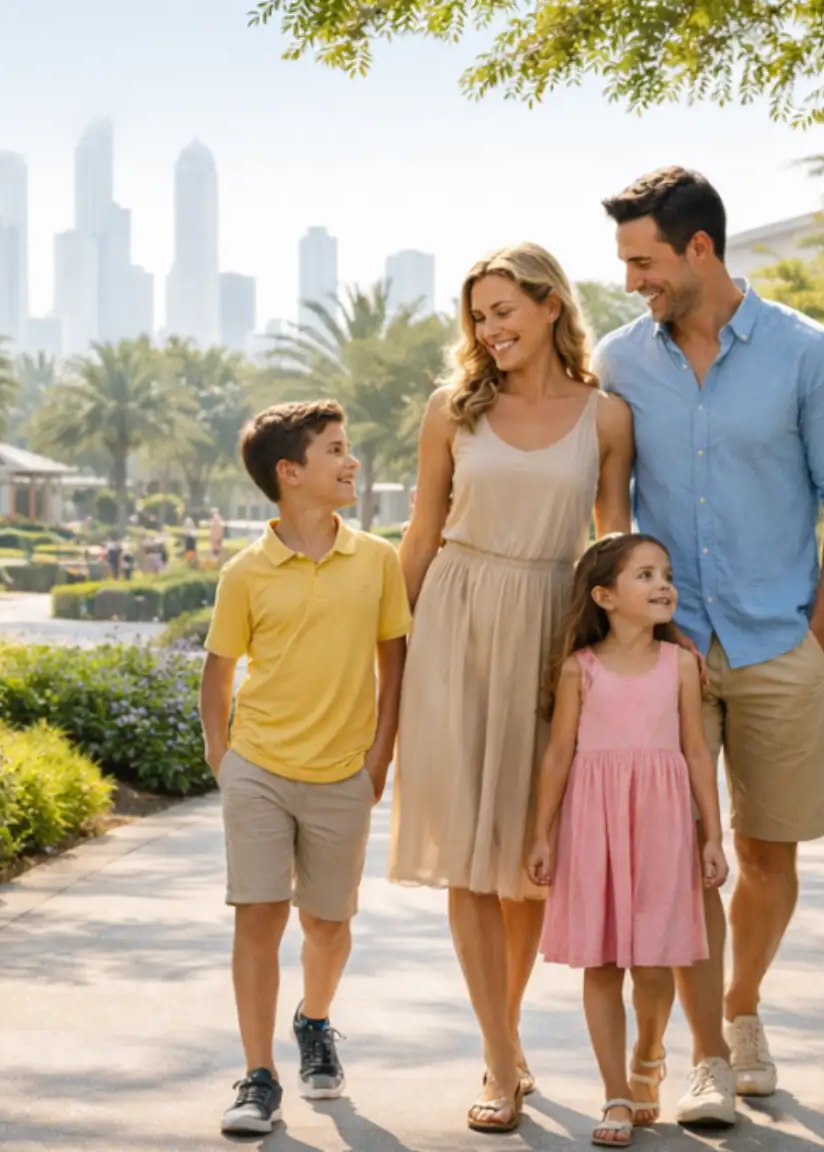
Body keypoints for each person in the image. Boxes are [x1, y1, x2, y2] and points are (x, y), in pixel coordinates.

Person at [592, 167, 824, 1126]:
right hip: (671, 650)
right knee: (683, 860)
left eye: (644, 261)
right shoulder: (621, 361)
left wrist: (817, 638)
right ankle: (708, 1054)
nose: (632, 280)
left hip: (775, 642)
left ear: (700, 248)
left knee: (767, 855)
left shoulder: (808, 352)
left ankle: (741, 1004)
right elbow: (613, 503)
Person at [393, 242, 634, 1134]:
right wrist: (394, 654)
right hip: (456, 622)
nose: (490, 330)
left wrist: (623, 659)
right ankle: (499, 1057)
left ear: (549, 305)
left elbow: (614, 546)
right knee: (469, 854)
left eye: (504, 311)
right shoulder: (451, 409)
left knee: (527, 867)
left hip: (549, 629)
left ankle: (509, 1030)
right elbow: (421, 536)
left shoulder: (606, 417)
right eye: (478, 317)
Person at [199, 400, 411, 1137]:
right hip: (258, 766)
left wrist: (381, 754)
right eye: (335, 450)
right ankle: (258, 1077)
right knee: (258, 914)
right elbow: (218, 673)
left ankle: (313, 1020)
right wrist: (224, 761)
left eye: (348, 448)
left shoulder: (377, 560)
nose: (351, 461)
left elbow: (394, 662)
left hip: (342, 771)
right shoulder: (245, 571)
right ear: (289, 473)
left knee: (327, 923)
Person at [527, 533, 728, 1147]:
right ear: (605, 597)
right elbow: (558, 757)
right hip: (595, 828)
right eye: (645, 575)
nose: (663, 585)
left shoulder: (680, 665)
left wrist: (712, 835)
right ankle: (615, 1092)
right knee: (602, 962)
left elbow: (697, 752)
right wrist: (542, 835)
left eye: (665, 574)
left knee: (654, 965)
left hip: (663, 826)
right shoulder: (578, 669)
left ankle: (649, 1052)